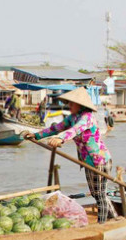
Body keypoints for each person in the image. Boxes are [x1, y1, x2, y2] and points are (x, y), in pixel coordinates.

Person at [22, 87, 115, 224]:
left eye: (72, 103)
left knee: (100, 195)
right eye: (69, 103)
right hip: (87, 161)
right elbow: (55, 128)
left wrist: (60, 139)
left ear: (80, 105)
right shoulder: (72, 118)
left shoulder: (87, 118)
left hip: (99, 160)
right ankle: (113, 216)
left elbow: (74, 130)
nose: (69, 106)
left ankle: (102, 224)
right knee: (97, 194)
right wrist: (36, 135)